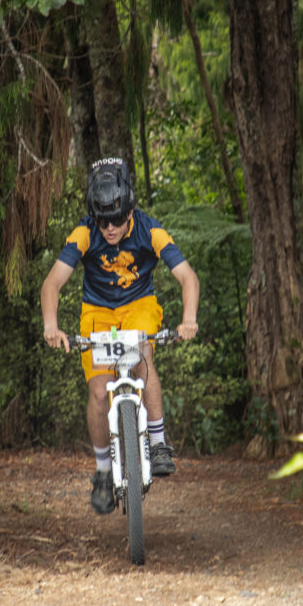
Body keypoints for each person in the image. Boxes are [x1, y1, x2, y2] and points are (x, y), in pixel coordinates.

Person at [41, 157, 200, 515]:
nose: (110, 228)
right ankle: (102, 471)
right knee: (99, 393)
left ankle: (158, 443)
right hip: (96, 312)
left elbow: (187, 276)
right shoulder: (84, 233)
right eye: (103, 220)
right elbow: (52, 282)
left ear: (130, 209)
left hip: (138, 304)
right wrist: (51, 324)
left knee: (142, 356)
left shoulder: (149, 230)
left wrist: (188, 319)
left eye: (117, 218)